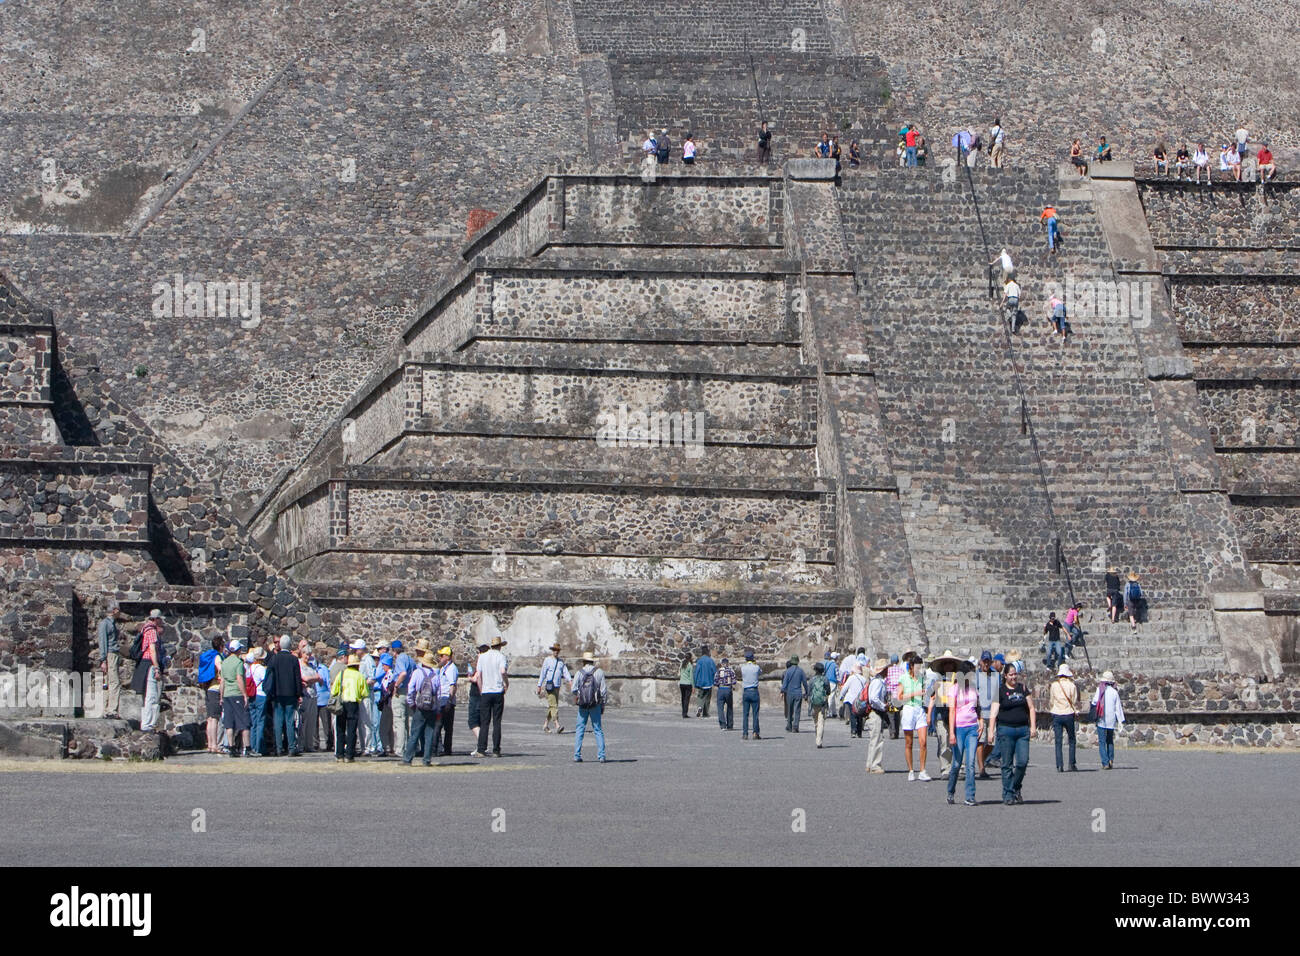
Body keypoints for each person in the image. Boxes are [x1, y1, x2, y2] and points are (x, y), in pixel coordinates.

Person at [988, 661, 1036, 805]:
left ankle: (1016, 786)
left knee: (1022, 762)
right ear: (1005, 676)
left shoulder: (1023, 688)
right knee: (1007, 764)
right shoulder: (1000, 691)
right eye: (1011, 675)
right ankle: (1008, 794)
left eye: (1015, 674)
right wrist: (991, 731)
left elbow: (1031, 708)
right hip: (1005, 730)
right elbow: (993, 712)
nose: (1014, 677)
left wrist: (1033, 726)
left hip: (1022, 730)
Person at [946, 662, 981, 806]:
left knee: (970, 763)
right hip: (959, 728)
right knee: (956, 763)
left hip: (972, 727)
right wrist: (952, 733)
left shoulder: (974, 689)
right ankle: (950, 790)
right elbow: (952, 711)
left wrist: (981, 722)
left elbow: (978, 707)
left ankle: (970, 795)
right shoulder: (954, 689)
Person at [402, 650, 441, 766]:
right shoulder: (435, 676)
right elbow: (438, 694)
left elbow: (411, 690)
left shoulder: (417, 673)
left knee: (415, 733)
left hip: (419, 707)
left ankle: (408, 758)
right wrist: (437, 708)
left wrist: (411, 703)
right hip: (431, 708)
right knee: (429, 734)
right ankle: (427, 759)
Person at [472, 635, 509, 757]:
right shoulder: (501, 657)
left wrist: (481, 689)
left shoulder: (482, 657)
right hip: (497, 691)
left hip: (486, 691)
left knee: (484, 722)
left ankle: (481, 749)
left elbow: (479, 675)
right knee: (497, 722)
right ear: (499, 646)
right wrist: (506, 683)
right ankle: (496, 749)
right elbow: (503, 671)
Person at [131, 609, 167, 733]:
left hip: (144, 664)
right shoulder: (151, 631)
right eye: (160, 619)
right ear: (156, 619)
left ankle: (147, 723)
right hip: (150, 664)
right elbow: (152, 650)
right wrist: (157, 667)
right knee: (151, 695)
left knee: (148, 695)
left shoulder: (144, 628)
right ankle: (148, 724)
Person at [268, 635, 304, 756]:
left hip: (277, 694)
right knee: (289, 721)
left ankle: (278, 748)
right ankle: (291, 748)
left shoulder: (274, 659)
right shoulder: (293, 660)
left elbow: (269, 676)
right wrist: (299, 693)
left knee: (278, 721)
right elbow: (297, 677)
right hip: (290, 694)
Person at [331, 652, 369, 762]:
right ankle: (349, 755)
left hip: (342, 702)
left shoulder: (342, 674)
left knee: (340, 728)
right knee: (352, 730)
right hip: (353, 703)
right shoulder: (359, 676)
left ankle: (339, 755)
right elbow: (365, 693)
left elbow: (334, 690)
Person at [571, 649, 608, 762]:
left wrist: (579, 695)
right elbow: (603, 691)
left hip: (583, 705)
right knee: (597, 729)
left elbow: (573, 689)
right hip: (595, 704)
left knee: (580, 729)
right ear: (592, 661)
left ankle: (577, 755)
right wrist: (603, 705)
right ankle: (601, 755)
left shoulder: (579, 672)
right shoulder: (599, 672)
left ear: (584, 661)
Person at [899, 654, 930, 781]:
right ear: (911, 666)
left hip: (919, 709)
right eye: (917, 666)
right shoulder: (904, 678)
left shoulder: (922, 678)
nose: (919, 669)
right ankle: (911, 770)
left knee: (923, 741)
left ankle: (922, 770)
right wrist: (915, 693)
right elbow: (899, 697)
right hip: (908, 709)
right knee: (909, 742)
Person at [926, 655, 957, 778]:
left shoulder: (958, 680)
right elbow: (931, 697)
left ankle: (955, 766)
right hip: (940, 715)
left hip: (954, 714)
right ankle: (945, 768)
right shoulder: (937, 680)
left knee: (954, 742)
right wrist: (929, 715)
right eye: (946, 663)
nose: (948, 666)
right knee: (944, 741)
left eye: (950, 663)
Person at [220, 640, 251, 757]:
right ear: (238, 650)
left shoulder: (224, 662)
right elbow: (239, 679)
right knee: (244, 721)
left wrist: (221, 696)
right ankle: (247, 748)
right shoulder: (238, 663)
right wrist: (245, 695)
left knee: (229, 723)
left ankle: (231, 747)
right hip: (237, 693)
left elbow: (222, 681)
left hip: (227, 695)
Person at [1049, 664, 1080, 772]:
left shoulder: (1054, 685)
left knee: (1058, 741)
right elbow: (1074, 700)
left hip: (1057, 713)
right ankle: (1071, 763)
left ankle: (1059, 765)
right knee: (1071, 739)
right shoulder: (1072, 685)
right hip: (1068, 713)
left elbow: (1051, 700)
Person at [1092, 671, 1125, 769]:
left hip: (1101, 718)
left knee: (1102, 742)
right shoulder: (1114, 692)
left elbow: (1094, 701)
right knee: (1110, 740)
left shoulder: (1100, 690)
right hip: (1111, 719)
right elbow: (1118, 708)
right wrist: (1120, 720)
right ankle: (1110, 759)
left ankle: (1105, 762)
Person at [974, 651, 1000, 778]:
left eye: (988, 661)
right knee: (980, 740)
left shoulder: (996, 675)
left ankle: (981, 761)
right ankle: (981, 768)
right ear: (980, 662)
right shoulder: (976, 675)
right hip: (981, 712)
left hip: (993, 713)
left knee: (991, 742)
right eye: (984, 661)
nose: (986, 663)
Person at [97, 602, 125, 719]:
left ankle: (107, 709)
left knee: (109, 682)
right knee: (114, 682)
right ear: (114, 610)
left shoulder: (112, 624)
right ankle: (111, 710)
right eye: (118, 610)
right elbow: (103, 641)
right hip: (110, 654)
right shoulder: (105, 624)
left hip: (113, 654)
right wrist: (103, 659)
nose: (119, 612)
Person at [388, 639, 414, 759]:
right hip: (410, 691)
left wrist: (396, 685)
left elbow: (402, 673)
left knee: (399, 721)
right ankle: (411, 747)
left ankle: (400, 748)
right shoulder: (410, 659)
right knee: (409, 721)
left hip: (401, 691)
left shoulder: (400, 659)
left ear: (394, 651)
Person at [537, 642, 570, 734]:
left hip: (557, 686)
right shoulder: (547, 660)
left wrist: (570, 681)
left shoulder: (560, 662)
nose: (556, 652)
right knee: (554, 705)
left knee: (552, 706)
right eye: (555, 650)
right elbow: (543, 673)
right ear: (552, 651)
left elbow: (565, 672)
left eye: (557, 650)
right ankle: (557, 725)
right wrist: (539, 685)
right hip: (549, 686)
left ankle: (545, 725)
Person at [198, 636, 223, 753]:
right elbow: (220, 669)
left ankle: (210, 745)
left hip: (208, 689)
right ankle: (214, 745)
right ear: (221, 646)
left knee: (209, 718)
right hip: (215, 689)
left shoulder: (209, 655)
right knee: (214, 719)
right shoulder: (217, 656)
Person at [862, 659, 888, 773]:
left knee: (873, 740)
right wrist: (883, 706)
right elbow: (873, 698)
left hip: (873, 712)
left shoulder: (876, 681)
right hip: (875, 712)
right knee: (877, 740)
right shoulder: (878, 682)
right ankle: (875, 765)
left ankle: (870, 763)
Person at [246, 645, 268, 756]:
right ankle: (259, 748)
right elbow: (266, 681)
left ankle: (252, 746)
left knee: (253, 723)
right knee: (260, 722)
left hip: (251, 695)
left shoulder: (249, 668)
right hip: (260, 695)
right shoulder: (261, 669)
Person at [436, 645, 457, 755]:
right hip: (441, 699)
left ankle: (447, 749)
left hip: (446, 701)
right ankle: (440, 747)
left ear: (447, 657)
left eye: (441, 656)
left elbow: (452, 685)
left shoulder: (451, 669)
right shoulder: (443, 668)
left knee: (446, 727)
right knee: (438, 725)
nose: (440, 658)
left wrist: (449, 700)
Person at [313, 644, 334, 752]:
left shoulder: (324, 669)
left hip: (324, 698)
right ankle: (315, 743)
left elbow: (328, 682)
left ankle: (328, 743)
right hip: (314, 698)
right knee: (314, 723)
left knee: (326, 722)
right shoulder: (312, 668)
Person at [780, 655, 808, 732]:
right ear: (797, 661)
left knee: (789, 710)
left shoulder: (787, 671)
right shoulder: (801, 671)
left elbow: (785, 683)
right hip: (798, 692)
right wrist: (807, 692)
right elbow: (805, 683)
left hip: (790, 693)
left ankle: (789, 725)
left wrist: (782, 691)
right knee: (797, 710)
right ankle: (795, 726)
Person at [840, 659, 866, 738]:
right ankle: (859, 732)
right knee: (860, 715)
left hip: (851, 699)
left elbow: (845, 688)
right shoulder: (863, 679)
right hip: (860, 700)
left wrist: (841, 696)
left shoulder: (851, 678)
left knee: (853, 715)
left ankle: (853, 730)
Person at [807, 662, 831, 748]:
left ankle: (817, 736)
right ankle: (819, 741)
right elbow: (828, 691)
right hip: (823, 704)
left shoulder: (812, 680)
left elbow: (809, 692)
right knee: (821, 722)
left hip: (814, 703)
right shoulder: (825, 679)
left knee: (816, 722)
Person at [740, 650, 761, 740]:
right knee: (755, 714)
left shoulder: (743, 667)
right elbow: (760, 672)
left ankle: (745, 733)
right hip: (754, 691)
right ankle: (755, 733)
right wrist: (755, 663)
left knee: (745, 714)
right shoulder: (756, 667)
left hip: (746, 691)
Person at [467, 641, 485, 742]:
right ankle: (481, 744)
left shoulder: (481, 664)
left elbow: (477, 678)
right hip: (483, 695)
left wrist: (470, 678)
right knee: (481, 721)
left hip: (477, 695)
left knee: (473, 721)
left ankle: (482, 742)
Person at [693, 646, 717, 717]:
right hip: (709, 682)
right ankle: (705, 713)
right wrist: (715, 681)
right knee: (707, 698)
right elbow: (714, 671)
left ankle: (700, 707)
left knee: (700, 696)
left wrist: (695, 682)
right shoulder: (710, 660)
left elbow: (696, 672)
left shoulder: (699, 661)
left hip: (701, 682)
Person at [715, 656, 736, 731]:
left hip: (721, 689)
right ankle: (730, 725)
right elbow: (734, 681)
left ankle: (723, 725)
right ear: (728, 664)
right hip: (728, 689)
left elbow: (715, 681)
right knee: (729, 707)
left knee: (720, 708)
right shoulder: (731, 671)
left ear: (721, 664)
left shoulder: (718, 671)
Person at [884, 654, 903, 737]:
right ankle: (897, 732)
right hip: (899, 695)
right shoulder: (901, 670)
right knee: (897, 714)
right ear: (898, 661)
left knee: (891, 713)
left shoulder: (888, 670)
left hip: (890, 694)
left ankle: (892, 731)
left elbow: (885, 681)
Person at [677, 653, 694, 718]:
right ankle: (685, 713)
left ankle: (683, 712)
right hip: (688, 684)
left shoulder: (682, 664)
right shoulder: (690, 665)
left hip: (682, 683)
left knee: (683, 698)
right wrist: (693, 686)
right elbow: (691, 677)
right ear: (690, 658)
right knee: (687, 699)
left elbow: (680, 673)